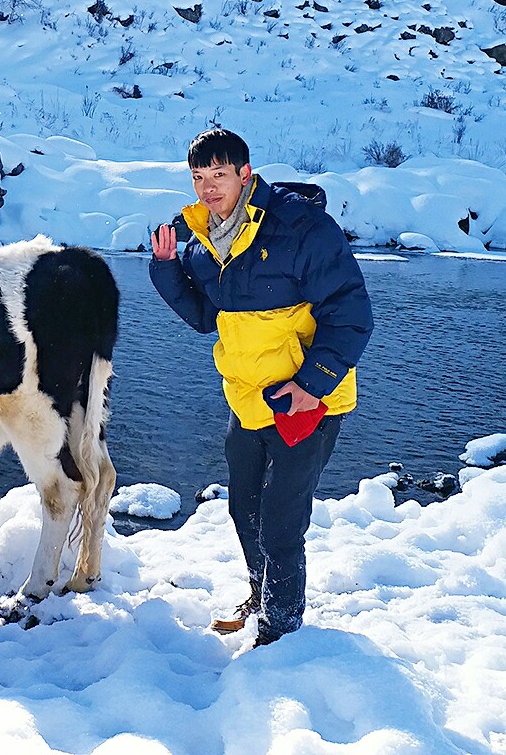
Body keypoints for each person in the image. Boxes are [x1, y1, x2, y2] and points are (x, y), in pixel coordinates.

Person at [149, 127, 372, 645]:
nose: (208, 189)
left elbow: (352, 312)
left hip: (306, 400)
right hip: (248, 397)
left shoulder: (302, 229)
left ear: (245, 174)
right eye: (199, 178)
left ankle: (280, 631)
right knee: (243, 505)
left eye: (219, 176)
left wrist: (312, 384)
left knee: (281, 519)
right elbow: (208, 316)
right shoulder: (204, 241)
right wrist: (165, 270)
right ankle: (262, 593)